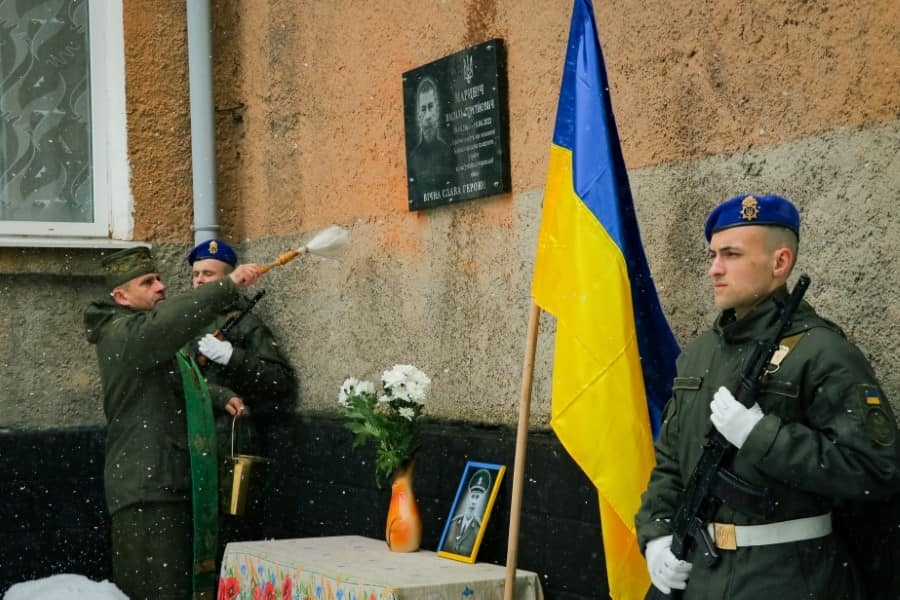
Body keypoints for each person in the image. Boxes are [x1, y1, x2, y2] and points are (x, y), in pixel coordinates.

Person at [635, 194, 900, 598]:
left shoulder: (822, 353)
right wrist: (656, 533)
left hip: (787, 578)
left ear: (780, 263)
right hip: (699, 575)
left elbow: (875, 471)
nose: (714, 269)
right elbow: (672, 461)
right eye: (713, 255)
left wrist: (762, 436)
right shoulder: (699, 354)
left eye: (731, 255)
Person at [84, 246, 263, 600]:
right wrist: (227, 285)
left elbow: (172, 384)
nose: (161, 287)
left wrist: (216, 395)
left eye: (159, 278)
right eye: (147, 282)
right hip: (148, 491)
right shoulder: (123, 333)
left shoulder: (140, 333)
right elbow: (170, 323)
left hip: (164, 482)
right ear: (120, 296)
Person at [407, 75, 455, 202]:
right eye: (423, 109)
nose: (427, 115)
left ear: (437, 109)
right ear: (418, 115)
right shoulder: (413, 159)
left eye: (430, 107)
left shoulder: (448, 153)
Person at [443, 468, 492, 556]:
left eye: (477, 497)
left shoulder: (477, 528)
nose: (474, 501)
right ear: (468, 497)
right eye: (473, 496)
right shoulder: (454, 522)